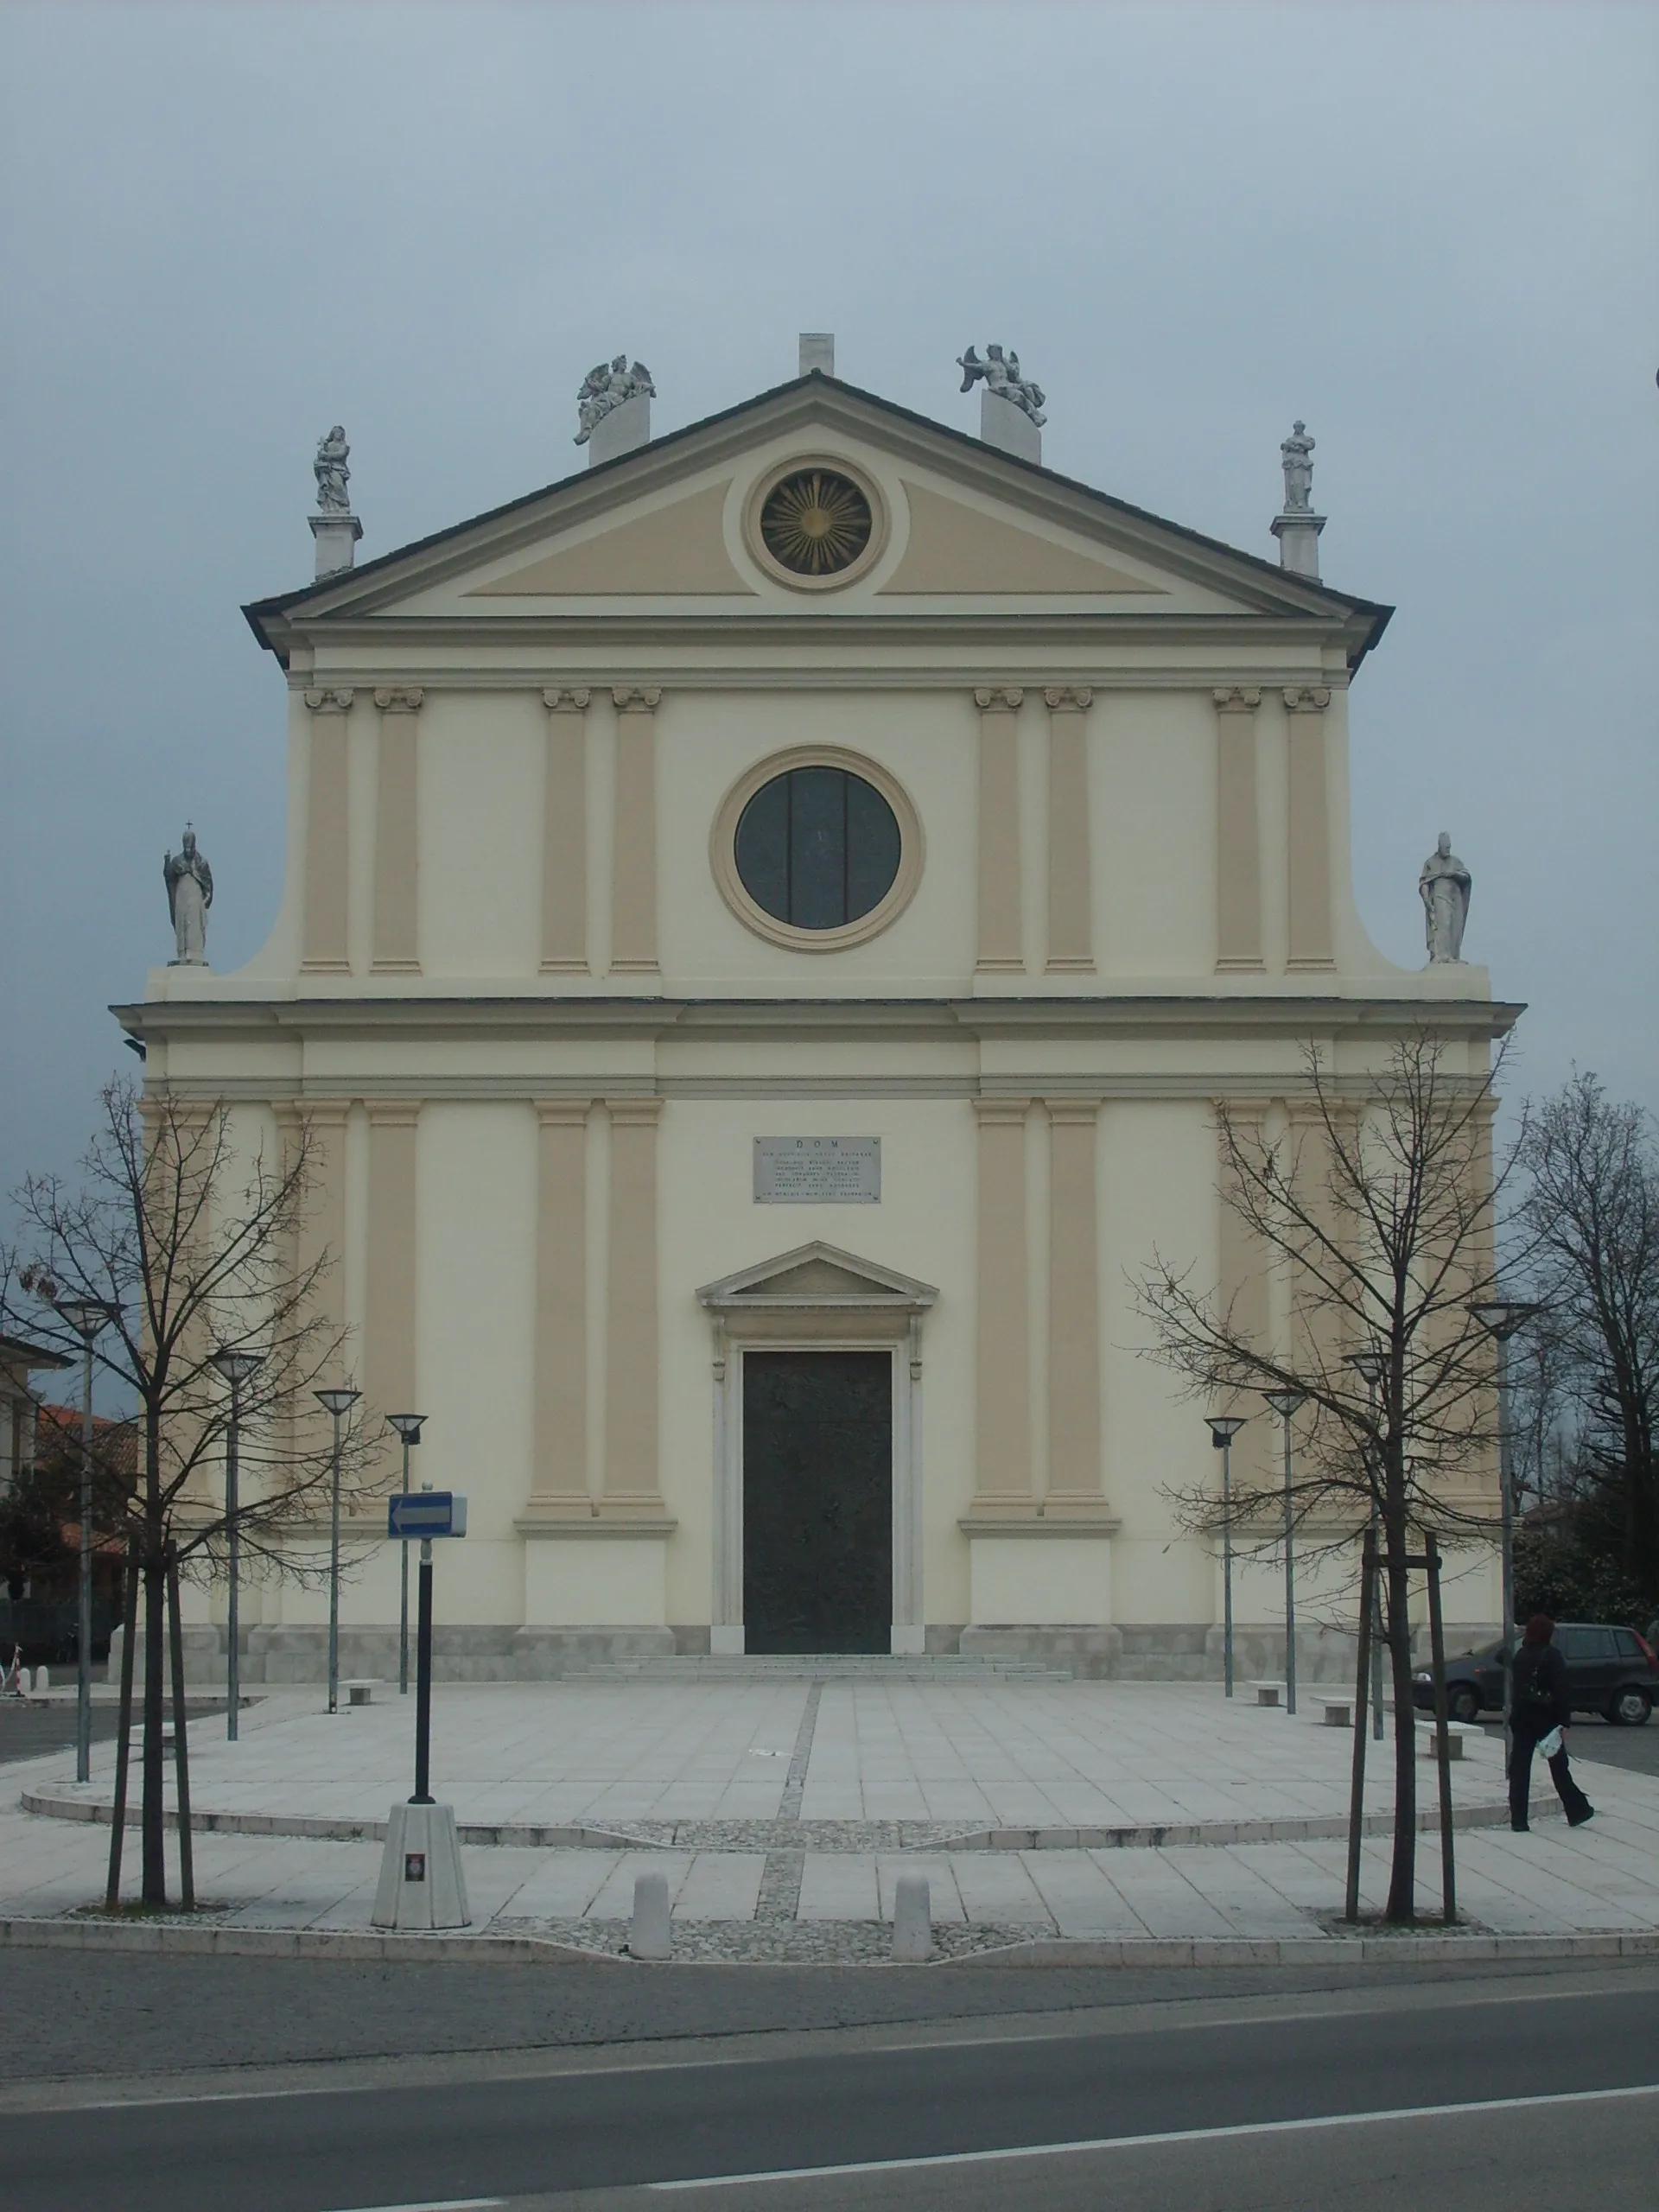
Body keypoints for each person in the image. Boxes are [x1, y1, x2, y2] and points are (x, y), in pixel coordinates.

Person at [1508, 1614, 1593, 1832]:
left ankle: (1518, 1820)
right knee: (1559, 1768)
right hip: (1547, 1720)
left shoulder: (1520, 1656)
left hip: (1522, 1718)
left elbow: (1516, 1687)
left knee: (1519, 1770)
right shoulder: (1552, 1656)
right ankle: (1577, 1810)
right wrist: (1564, 1722)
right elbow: (1561, 1691)